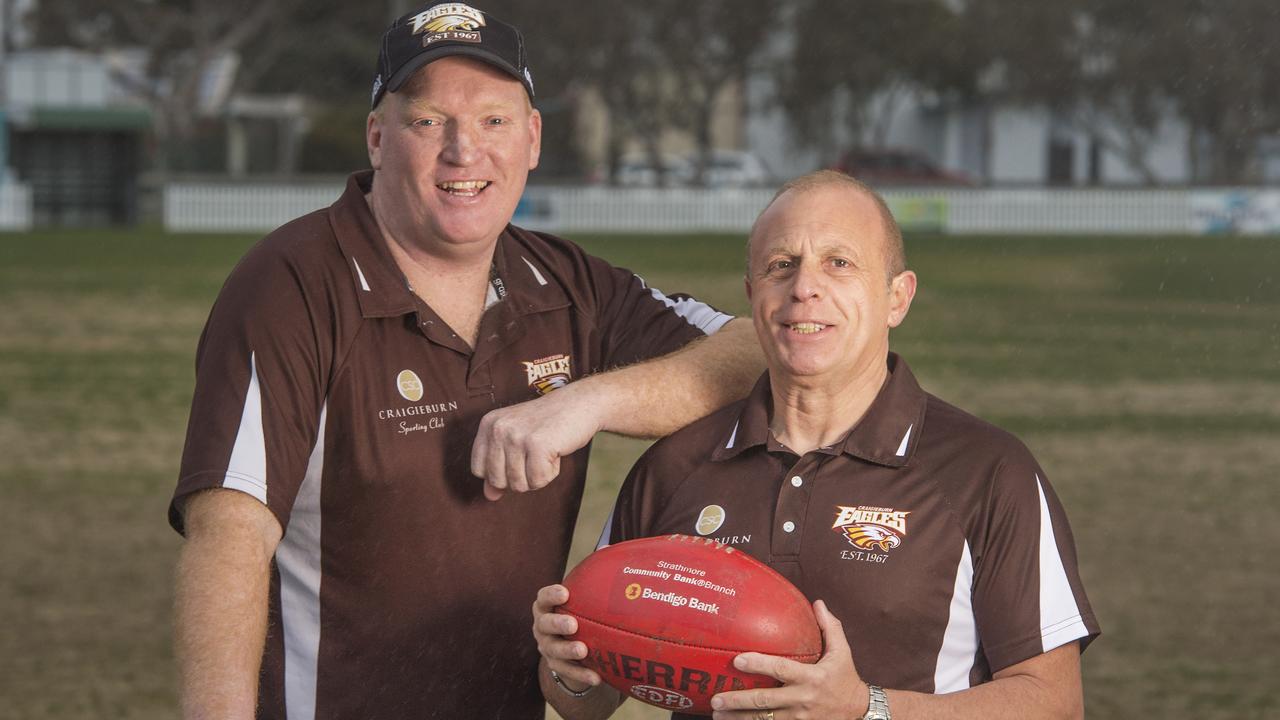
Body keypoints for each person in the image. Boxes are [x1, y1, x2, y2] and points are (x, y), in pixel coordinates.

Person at [169, 3, 764, 718]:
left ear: (533, 138)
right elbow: (229, 538)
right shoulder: (292, 286)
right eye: (428, 121)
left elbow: (760, 346)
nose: (463, 150)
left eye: (493, 120)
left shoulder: (566, 285)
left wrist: (583, 404)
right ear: (378, 137)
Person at [533, 170, 1101, 720]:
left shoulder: (987, 471)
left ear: (897, 298)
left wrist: (864, 709)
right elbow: (585, 703)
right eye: (782, 266)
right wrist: (568, 669)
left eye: (840, 263)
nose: (805, 288)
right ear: (753, 297)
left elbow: (1052, 704)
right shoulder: (674, 466)